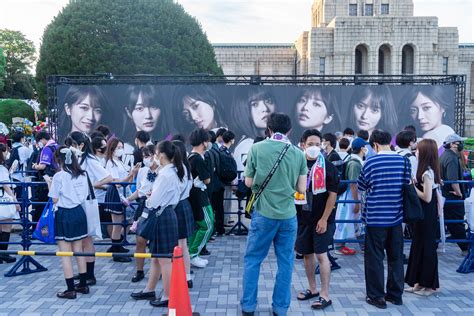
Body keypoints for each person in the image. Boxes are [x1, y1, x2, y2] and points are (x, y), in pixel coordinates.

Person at [241, 113, 307, 316]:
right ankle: (280, 308)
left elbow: (249, 183)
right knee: (285, 263)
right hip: (288, 215)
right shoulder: (298, 153)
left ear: (268, 128)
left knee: (253, 260)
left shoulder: (257, 148)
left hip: (263, 213)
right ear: (289, 130)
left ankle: (249, 307)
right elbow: (302, 188)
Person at [357, 130, 410, 309]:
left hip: (375, 218)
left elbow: (361, 185)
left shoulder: (370, 162)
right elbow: (407, 184)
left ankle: (376, 296)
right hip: (396, 218)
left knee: (375, 258)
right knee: (395, 257)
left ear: (375, 145)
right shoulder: (403, 161)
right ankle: (395, 295)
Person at [131, 141, 182, 308]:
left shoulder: (165, 174)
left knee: (164, 259)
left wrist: (150, 196)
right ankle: (149, 289)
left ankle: (167, 295)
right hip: (166, 215)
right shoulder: (171, 171)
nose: (153, 157)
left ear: (160, 155)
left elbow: (153, 201)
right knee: (157, 257)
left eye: (155, 154)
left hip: (161, 215)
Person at [295, 129, 338, 311]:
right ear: (303, 145)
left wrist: (324, 219)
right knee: (306, 254)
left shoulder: (328, 167)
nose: (314, 147)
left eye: (317, 144)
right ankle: (312, 289)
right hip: (303, 218)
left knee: (321, 255)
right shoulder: (298, 165)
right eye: (310, 144)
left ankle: (324, 294)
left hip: (322, 219)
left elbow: (332, 195)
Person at [69, 132, 113, 286]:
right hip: (78, 202)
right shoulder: (78, 158)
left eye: (71, 144)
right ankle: (84, 272)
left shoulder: (89, 159)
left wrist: (88, 185)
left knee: (86, 239)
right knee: (81, 239)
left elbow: (108, 177)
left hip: (87, 203)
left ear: (80, 145)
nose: (69, 147)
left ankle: (90, 275)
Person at [46, 147, 89, 299]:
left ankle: (70, 289)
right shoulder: (82, 174)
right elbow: (85, 195)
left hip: (65, 214)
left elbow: (54, 198)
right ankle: (83, 284)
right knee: (79, 250)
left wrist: (48, 182)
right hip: (79, 212)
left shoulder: (59, 176)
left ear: (59, 160)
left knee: (65, 254)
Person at [405, 139, 441, 296]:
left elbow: (426, 197)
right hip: (424, 213)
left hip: (426, 213)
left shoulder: (427, 172)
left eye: (419, 149)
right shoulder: (426, 170)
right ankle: (418, 283)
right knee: (419, 245)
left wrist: (412, 188)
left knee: (426, 247)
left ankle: (429, 286)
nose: (416, 151)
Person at [104, 138, 140, 262]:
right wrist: (131, 174)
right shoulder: (110, 163)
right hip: (115, 194)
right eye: (118, 148)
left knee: (126, 222)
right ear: (112, 149)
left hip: (123, 193)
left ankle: (118, 245)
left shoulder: (118, 162)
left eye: (121, 147)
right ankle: (116, 251)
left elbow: (127, 182)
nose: (120, 150)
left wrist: (132, 173)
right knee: (117, 225)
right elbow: (116, 183)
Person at [334, 138, 369, 256]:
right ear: (362, 148)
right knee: (347, 219)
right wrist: (357, 202)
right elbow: (353, 184)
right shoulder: (354, 163)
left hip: (352, 196)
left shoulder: (354, 160)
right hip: (351, 197)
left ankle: (364, 246)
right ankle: (339, 246)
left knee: (358, 222)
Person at [127, 144, 156, 283]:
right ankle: (139, 270)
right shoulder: (143, 171)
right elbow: (140, 190)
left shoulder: (164, 171)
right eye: (145, 156)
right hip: (143, 205)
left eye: (149, 155)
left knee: (157, 240)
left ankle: (159, 270)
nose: (147, 159)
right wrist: (128, 199)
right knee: (140, 239)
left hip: (157, 206)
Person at [231, 86, 278, 174]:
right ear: (243, 109)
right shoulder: (248, 146)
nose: (265, 109)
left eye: (269, 101)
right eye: (255, 104)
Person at [187, 129, 214, 268]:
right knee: (207, 225)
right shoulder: (197, 158)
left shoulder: (191, 156)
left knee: (199, 225)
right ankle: (192, 254)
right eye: (207, 141)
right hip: (199, 196)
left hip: (196, 195)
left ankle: (191, 253)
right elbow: (208, 180)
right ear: (203, 142)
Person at [440, 134, 469, 255]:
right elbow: (453, 180)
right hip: (452, 196)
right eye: (459, 142)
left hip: (445, 195)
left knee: (451, 222)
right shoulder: (451, 158)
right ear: (452, 144)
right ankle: (466, 248)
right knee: (456, 223)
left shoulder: (444, 156)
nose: (461, 144)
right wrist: (459, 193)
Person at [172, 140, 195, 288]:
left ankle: (176, 274)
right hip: (185, 205)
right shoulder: (186, 167)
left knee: (175, 245)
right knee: (183, 244)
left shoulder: (174, 170)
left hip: (175, 207)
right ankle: (186, 276)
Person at [30, 131, 58, 227]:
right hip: (57, 178)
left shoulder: (47, 149)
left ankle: (37, 228)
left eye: (39, 141)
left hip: (46, 181)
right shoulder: (57, 146)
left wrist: (34, 166)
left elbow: (42, 166)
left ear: (42, 139)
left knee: (41, 204)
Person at [0, 144, 20, 264]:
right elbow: (6, 185)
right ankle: (3, 253)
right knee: (7, 226)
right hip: (4, 198)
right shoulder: (1, 168)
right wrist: (15, 200)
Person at [214, 130, 236, 236]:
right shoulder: (225, 152)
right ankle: (220, 228)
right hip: (224, 182)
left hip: (220, 182)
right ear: (232, 140)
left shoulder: (220, 150)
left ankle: (219, 226)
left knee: (219, 206)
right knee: (220, 206)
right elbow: (229, 170)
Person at [6, 131, 33, 200]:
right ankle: (21, 209)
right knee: (21, 196)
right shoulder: (23, 149)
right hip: (19, 176)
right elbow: (31, 157)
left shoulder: (9, 148)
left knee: (12, 195)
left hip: (9, 175)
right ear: (21, 139)